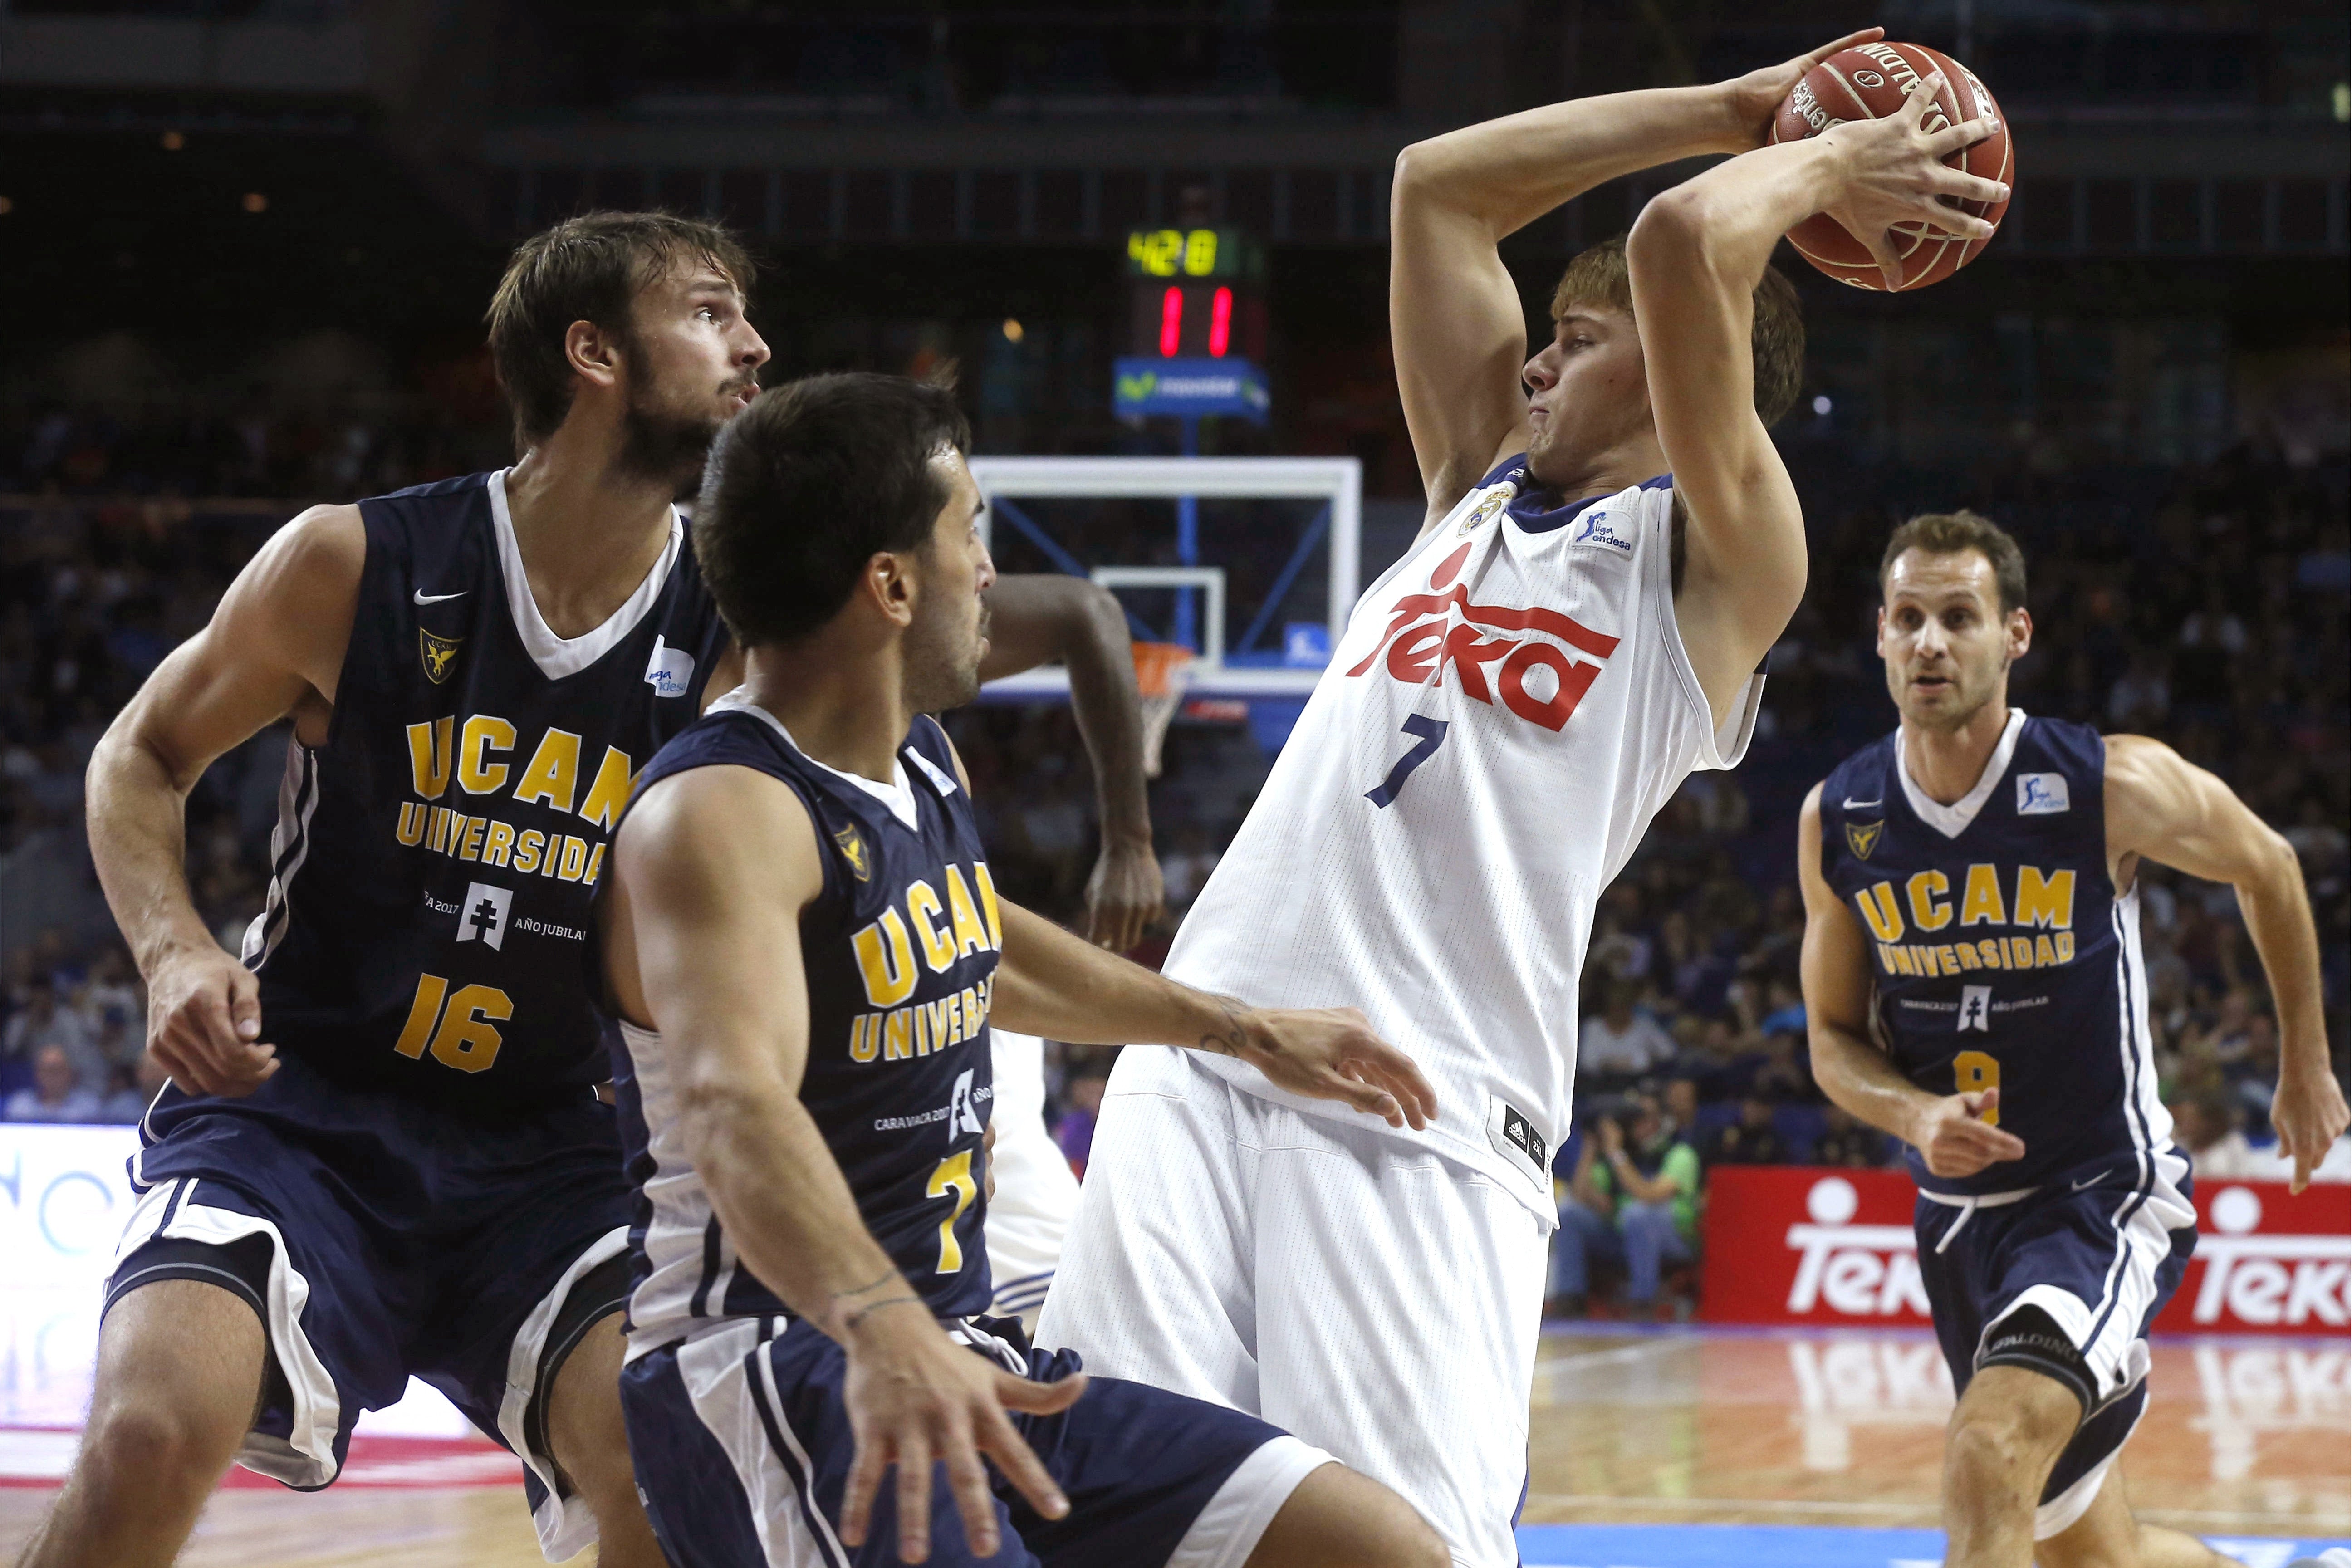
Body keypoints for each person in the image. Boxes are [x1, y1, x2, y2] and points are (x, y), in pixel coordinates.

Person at [27, 210, 1165, 1568]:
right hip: (304, 1113)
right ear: (594, 352)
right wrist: (171, 951)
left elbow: (940, 872)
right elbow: (140, 756)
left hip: (561, 1158)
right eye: (708, 311)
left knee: (659, 1481)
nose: (754, 343)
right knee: (154, 1428)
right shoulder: (358, 562)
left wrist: (1207, 1002)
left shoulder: (747, 639)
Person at [1037, 29, 2004, 1562]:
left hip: (1415, 1115)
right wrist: (1736, 108)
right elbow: (1434, 189)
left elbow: (1684, 240)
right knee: (1100, 1519)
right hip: (1201, 1055)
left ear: (1696, 378)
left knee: (1405, 1548)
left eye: (1576, 334)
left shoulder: (1716, 562)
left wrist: (1822, 160)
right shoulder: (1466, 486)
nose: (1538, 357)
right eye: (1540, 331)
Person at [597, 371, 1446, 1568]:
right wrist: (885, 1325)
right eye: (970, 532)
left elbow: (970, 936)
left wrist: (1246, 1031)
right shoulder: (721, 809)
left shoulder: (919, 762)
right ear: (890, 585)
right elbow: (736, 1106)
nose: (987, 571)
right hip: (782, 1364)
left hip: (966, 1346)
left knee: (1378, 1549)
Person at [1798, 510, 2352, 1568]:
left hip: (2098, 1193)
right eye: (1907, 617)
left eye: (1957, 617)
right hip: (1959, 1224)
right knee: (2088, 1551)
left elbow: (2268, 864)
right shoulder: (1840, 814)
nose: (1928, 641)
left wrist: (2305, 1061)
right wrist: (1911, 1112)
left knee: (1987, 1448)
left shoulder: (2104, 781)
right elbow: (1828, 1036)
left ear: (2014, 634)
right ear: (1876, 633)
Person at [1549, 1092, 1700, 1320]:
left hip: (1673, 1239)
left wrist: (1616, 1152)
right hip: (1622, 1236)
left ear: (1663, 1120)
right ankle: (1571, 1299)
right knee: (1570, 1213)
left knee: (1638, 1215)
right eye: (1633, 1119)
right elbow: (1581, 1194)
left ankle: (1643, 1303)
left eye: (1646, 1118)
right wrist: (1591, 1145)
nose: (1638, 1125)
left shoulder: (1680, 1154)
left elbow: (1649, 1195)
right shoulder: (1619, 1157)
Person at [4, 1043, 102, 1123]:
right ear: (37, 1074)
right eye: (46, 1070)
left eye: (57, 1070)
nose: (52, 1076)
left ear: (70, 1073)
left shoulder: (89, 1108)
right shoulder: (20, 1106)